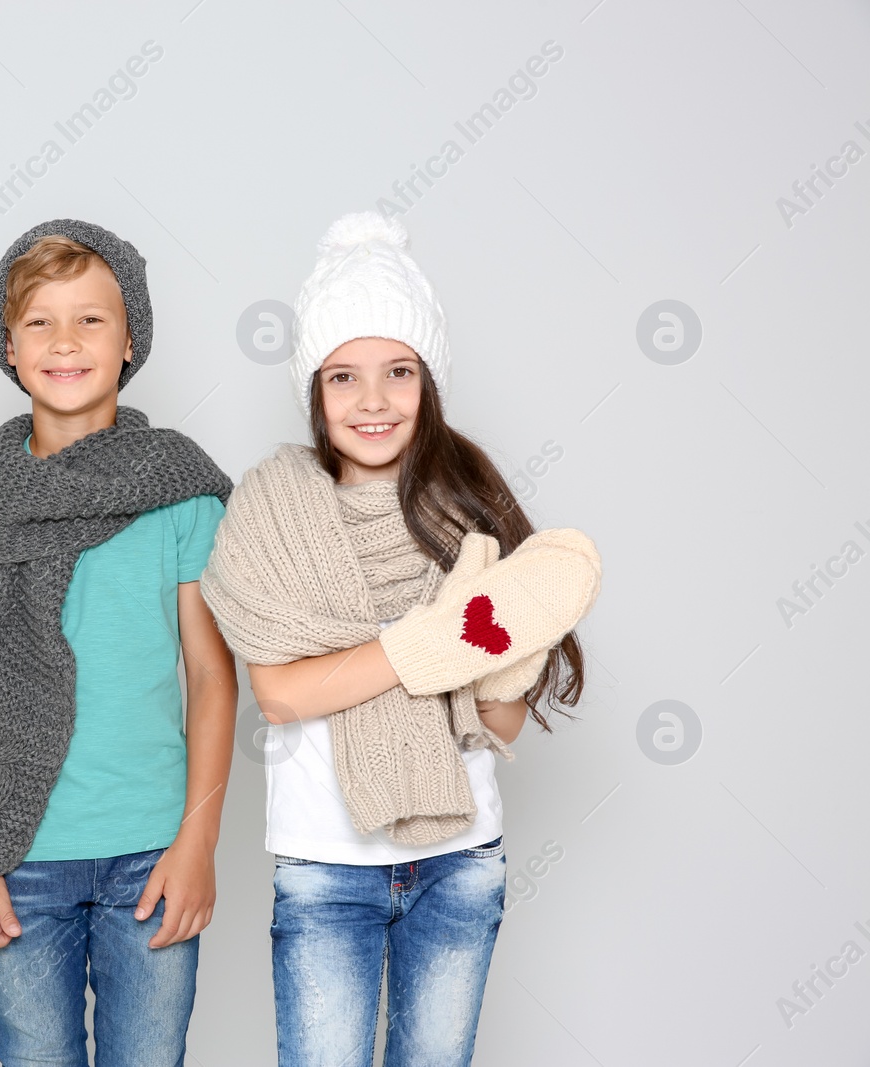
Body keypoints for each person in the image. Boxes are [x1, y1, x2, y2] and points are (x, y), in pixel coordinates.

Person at [199, 211, 603, 1066]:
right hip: (324, 866)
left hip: (460, 863)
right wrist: (437, 643)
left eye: (398, 372)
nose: (372, 400)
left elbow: (499, 726)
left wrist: (507, 650)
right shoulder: (270, 508)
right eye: (343, 376)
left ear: (431, 382)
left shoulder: (466, 509)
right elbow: (280, 691)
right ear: (314, 390)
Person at [0, 220, 238, 1067]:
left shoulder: (182, 493)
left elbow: (213, 680)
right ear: (9, 348)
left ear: (130, 342)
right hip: (17, 857)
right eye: (40, 322)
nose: (65, 342)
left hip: (151, 849)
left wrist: (197, 843)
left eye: (92, 319)